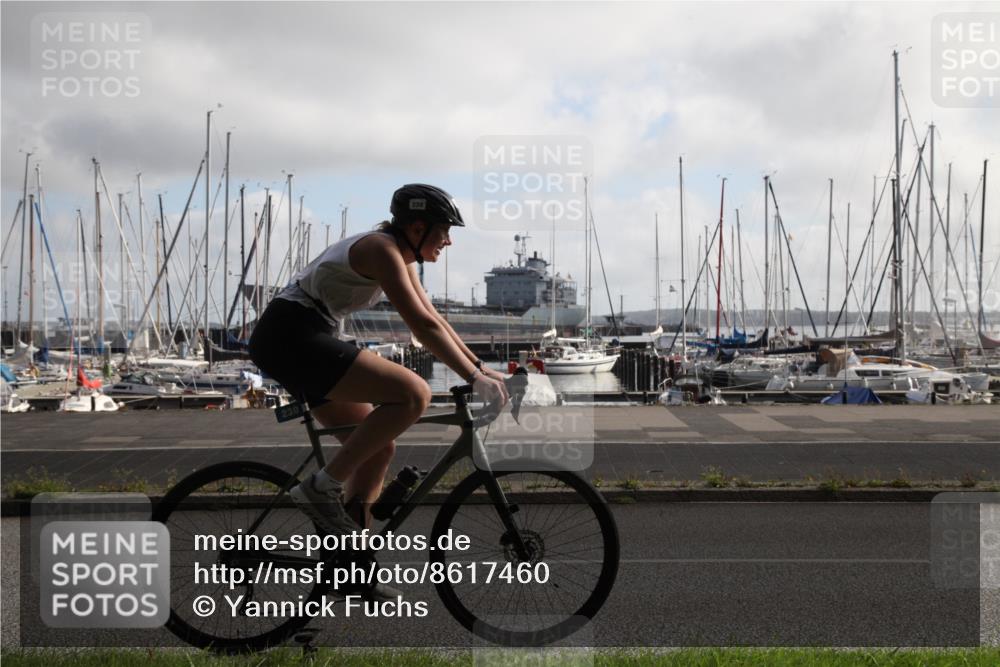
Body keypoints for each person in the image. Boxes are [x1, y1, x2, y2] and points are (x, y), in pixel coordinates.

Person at [248, 184, 508, 540]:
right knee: (415, 393)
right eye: (444, 231)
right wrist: (476, 379)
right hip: (291, 334)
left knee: (376, 450)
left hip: (304, 335)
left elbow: (436, 319)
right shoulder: (380, 249)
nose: (448, 241)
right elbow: (422, 326)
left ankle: (353, 569)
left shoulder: (398, 256)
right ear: (418, 229)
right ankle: (319, 487)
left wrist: (480, 368)